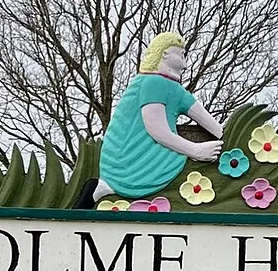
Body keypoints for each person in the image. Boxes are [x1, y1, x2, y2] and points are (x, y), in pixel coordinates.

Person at [93, 32, 224, 203]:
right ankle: (107, 188)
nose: (185, 59)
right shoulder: (152, 82)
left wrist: (227, 138)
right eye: (180, 52)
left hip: (152, 153)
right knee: (184, 170)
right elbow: (156, 129)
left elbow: (214, 126)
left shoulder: (175, 89)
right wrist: (196, 150)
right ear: (165, 53)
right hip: (131, 160)